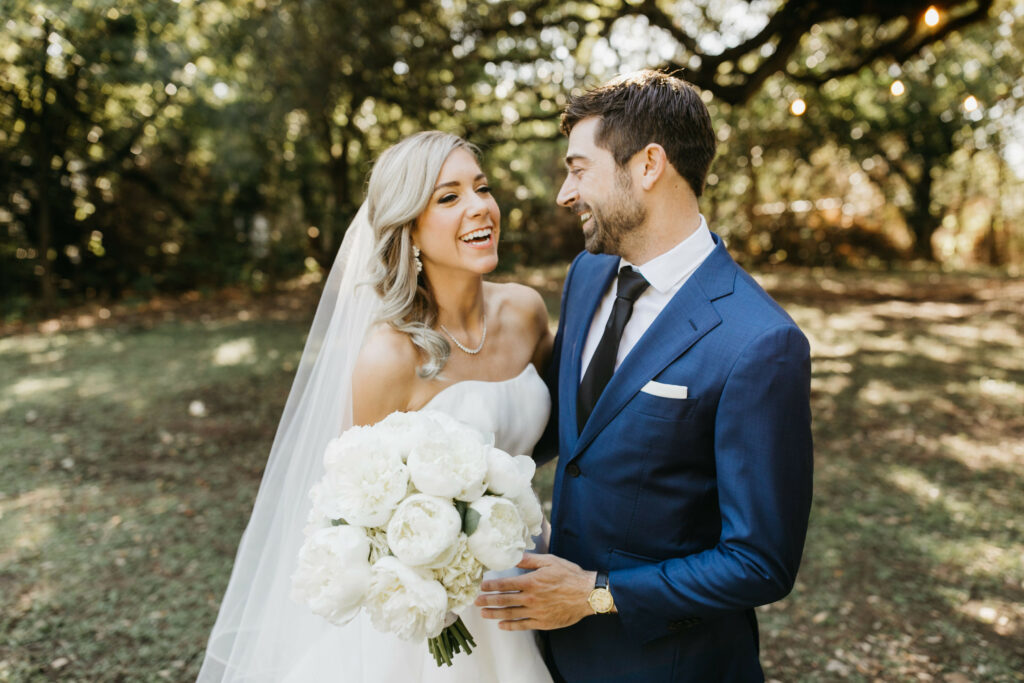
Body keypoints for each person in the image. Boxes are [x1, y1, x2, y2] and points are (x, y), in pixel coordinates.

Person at [475, 71, 814, 681]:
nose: (565, 193)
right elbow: (567, 430)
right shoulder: (586, 276)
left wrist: (596, 593)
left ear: (649, 164)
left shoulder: (760, 342)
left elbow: (761, 561)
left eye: (579, 169)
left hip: (673, 665)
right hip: (548, 653)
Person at [197, 131, 554, 682]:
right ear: (409, 227)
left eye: (481, 188)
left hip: (535, 575)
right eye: (449, 196)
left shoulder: (527, 312)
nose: (480, 206)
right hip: (443, 622)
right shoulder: (390, 356)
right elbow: (358, 510)